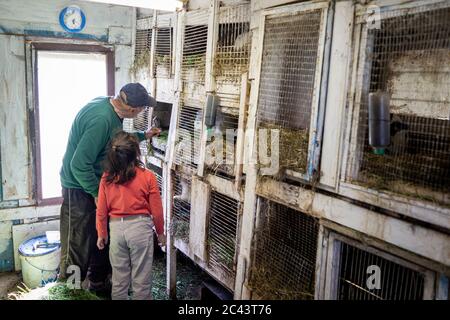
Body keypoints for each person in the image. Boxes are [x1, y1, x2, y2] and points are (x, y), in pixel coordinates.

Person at [59, 83, 160, 294]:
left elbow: (115, 140)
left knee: (100, 234)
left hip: (94, 182)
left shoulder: (110, 106)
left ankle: (97, 283)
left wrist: (144, 134)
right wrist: (98, 193)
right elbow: (77, 165)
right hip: (78, 186)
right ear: (133, 110)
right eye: (143, 108)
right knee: (77, 244)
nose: (143, 110)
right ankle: (69, 291)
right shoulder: (101, 120)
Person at [96, 131, 165, 300]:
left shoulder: (106, 178)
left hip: (117, 230)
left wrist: (101, 234)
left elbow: (101, 210)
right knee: (141, 280)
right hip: (140, 229)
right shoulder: (147, 176)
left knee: (119, 280)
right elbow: (156, 209)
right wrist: (161, 233)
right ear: (136, 152)